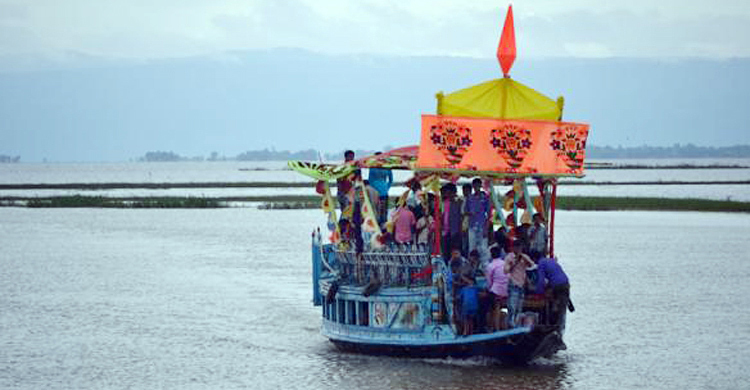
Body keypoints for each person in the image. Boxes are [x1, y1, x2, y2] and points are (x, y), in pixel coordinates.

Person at [503, 240, 535, 327]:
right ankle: (510, 324)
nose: (519, 249)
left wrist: (525, 260)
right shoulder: (509, 257)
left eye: (520, 248)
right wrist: (515, 262)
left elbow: (532, 266)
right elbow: (505, 271)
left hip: (522, 285)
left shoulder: (524, 257)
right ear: (513, 248)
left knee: (519, 307)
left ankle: (516, 324)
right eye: (517, 248)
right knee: (512, 307)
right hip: (513, 284)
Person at [536, 255, 574, 325]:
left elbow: (541, 280)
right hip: (566, 283)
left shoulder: (541, 263)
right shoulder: (551, 261)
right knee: (562, 306)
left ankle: (553, 324)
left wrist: (539, 292)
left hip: (557, 286)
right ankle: (559, 326)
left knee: (554, 304)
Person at [465, 178, 491, 267]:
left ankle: (484, 268)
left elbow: (489, 214)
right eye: (475, 185)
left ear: (481, 186)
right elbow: (465, 211)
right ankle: (472, 267)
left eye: (478, 185)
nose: (476, 187)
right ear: (473, 186)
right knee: (472, 247)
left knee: (483, 248)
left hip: (482, 225)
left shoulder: (486, 197)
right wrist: (470, 213)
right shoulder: (470, 198)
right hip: (472, 225)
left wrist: (486, 228)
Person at [485, 246, 509, 330]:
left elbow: (489, 282)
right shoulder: (505, 263)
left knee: (494, 309)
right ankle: (504, 327)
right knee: (504, 309)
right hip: (506, 290)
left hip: (495, 291)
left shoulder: (490, 266)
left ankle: (496, 328)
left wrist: (489, 289)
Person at [368, 153, 393, 224]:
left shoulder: (385, 166)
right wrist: (387, 187)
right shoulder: (374, 166)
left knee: (380, 211)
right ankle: (381, 225)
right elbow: (370, 180)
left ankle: (381, 225)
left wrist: (387, 187)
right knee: (379, 211)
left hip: (381, 191)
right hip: (379, 191)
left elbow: (391, 179)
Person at [441, 184, 463, 261]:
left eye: (449, 193)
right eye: (447, 193)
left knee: (455, 251)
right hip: (445, 231)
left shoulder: (458, 203)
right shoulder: (443, 203)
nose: (448, 194)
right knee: (445, 252)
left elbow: (461, 218)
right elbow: (442, 215)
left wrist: (460, 231)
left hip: (455, 231)